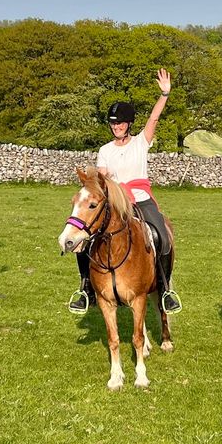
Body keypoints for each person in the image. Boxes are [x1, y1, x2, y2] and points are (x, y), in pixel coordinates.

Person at [69, 68, 180, 314]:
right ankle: (86, 287)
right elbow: (102, 175)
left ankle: (164, 290)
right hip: (116, 204)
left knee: (161, 235)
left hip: (140, 200)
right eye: (113, 124)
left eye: (119, 123)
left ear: (129, 124)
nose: (116, 127)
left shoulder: (141, 142)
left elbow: (153, 120)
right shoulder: (105, 149)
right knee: (84, 241)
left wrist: (164, 94)